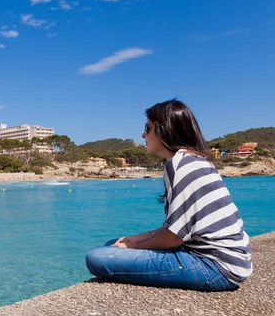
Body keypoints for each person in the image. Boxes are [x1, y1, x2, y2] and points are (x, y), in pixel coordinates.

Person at [85, 99, 252, 291]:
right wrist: (135, 239)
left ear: (164, 130)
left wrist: (134, 245)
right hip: (232, 261)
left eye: (147, 128)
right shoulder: (196, 159)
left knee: (97, 257)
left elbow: (174, 237)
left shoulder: (178, 165)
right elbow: (177, 229)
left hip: (214, 267)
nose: (142, 134)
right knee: (113, 244)